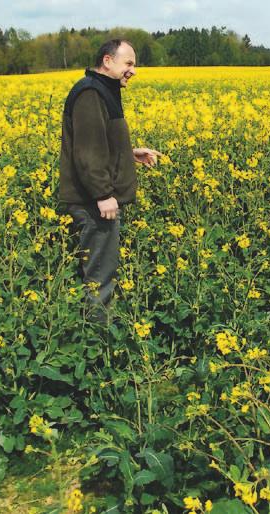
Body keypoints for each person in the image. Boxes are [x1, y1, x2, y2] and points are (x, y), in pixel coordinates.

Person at [59, 39, 161, 320]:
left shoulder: (102, 91)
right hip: (93, 203)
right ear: (107, 61)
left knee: (100, 272)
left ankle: (95, 334)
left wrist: (129, 154)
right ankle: (96, 344)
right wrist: (103, 194)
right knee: (100, 277)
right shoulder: (91, 93)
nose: (134, 71)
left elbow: (99, 143)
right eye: (129, 63)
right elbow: (88, 152)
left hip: (95, 199)